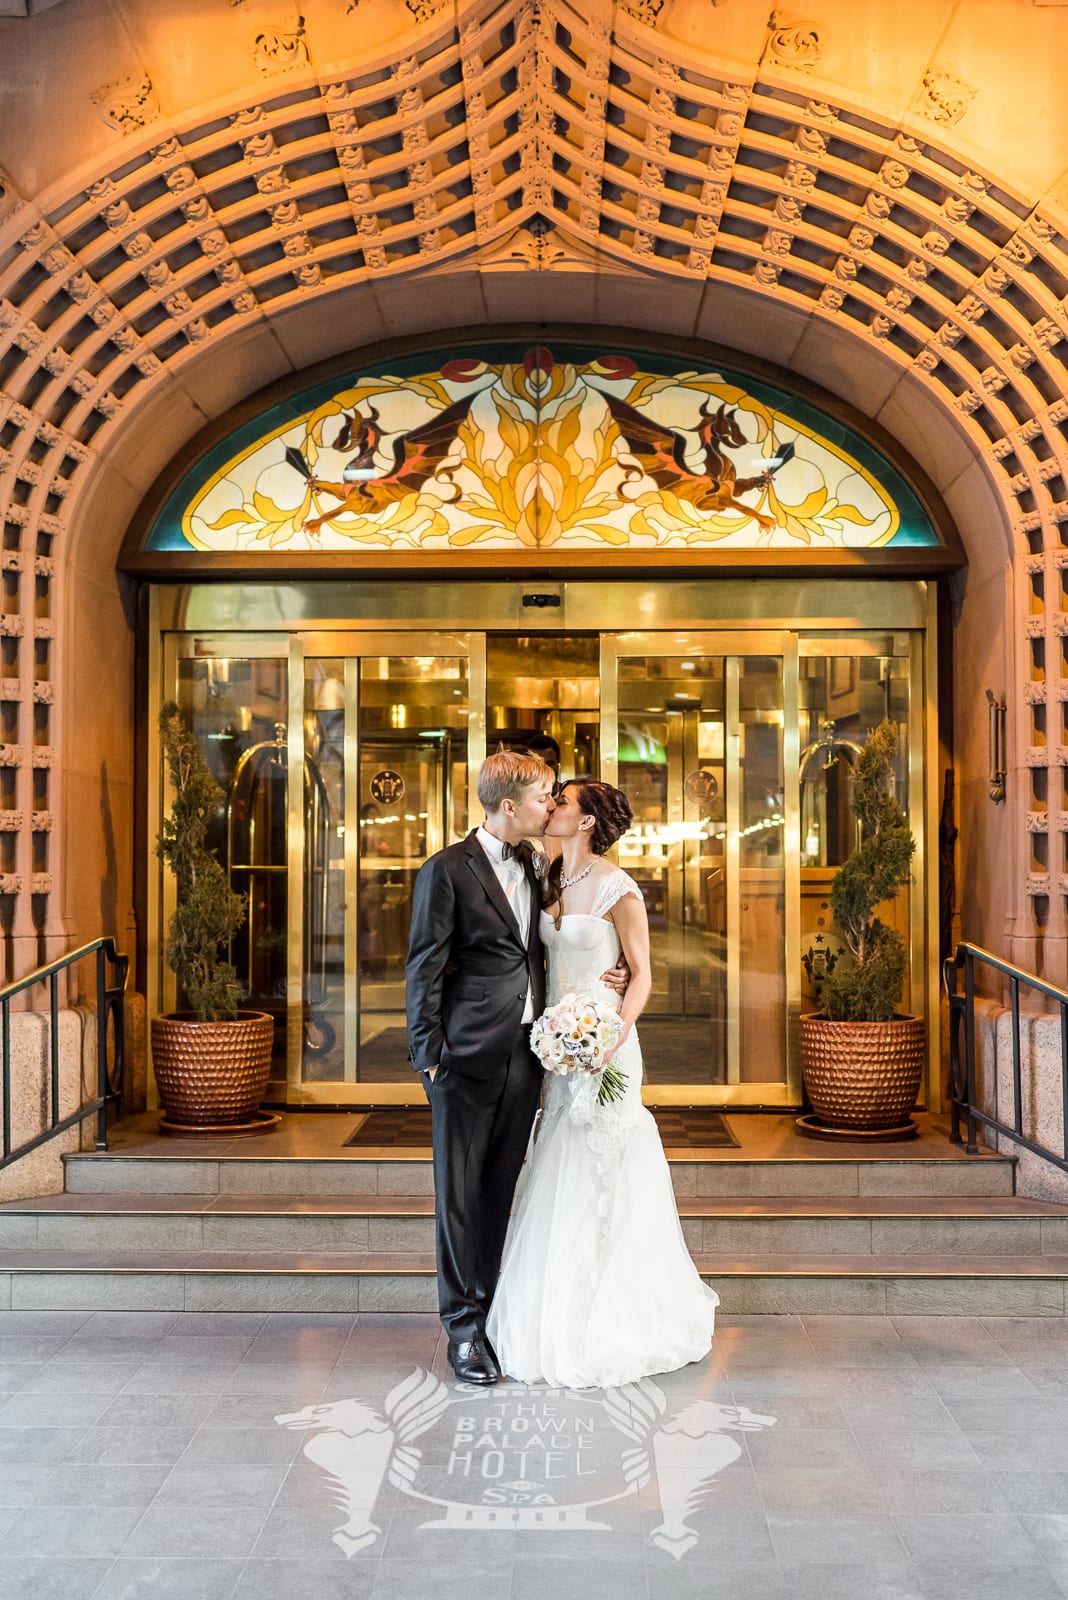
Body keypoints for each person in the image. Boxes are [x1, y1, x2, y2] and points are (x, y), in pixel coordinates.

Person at [486, 779, 719, 1389]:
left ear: (586, 821)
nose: (551, 808)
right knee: (559, 1157)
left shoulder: (620, 888)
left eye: (561, 802)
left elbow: (642, 975)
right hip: (557, 1044)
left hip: (606, 1043)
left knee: (604, 1159)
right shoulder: (543, 877)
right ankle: (549, 1301)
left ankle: (610, 1310)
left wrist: (612, 1031)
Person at [405, 751, 624, 1385]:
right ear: (509, 806)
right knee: (459, 1196)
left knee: (500, 1189)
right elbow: (423, 968)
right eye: (543, 799)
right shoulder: (445, 871)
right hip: (463, 1060)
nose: (551, 807)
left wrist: (620, 972)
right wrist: (430, 1058)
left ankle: (491, 1305)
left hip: (528, 1056)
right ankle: (463, 1330)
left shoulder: (536, 866)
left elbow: (577, 930)